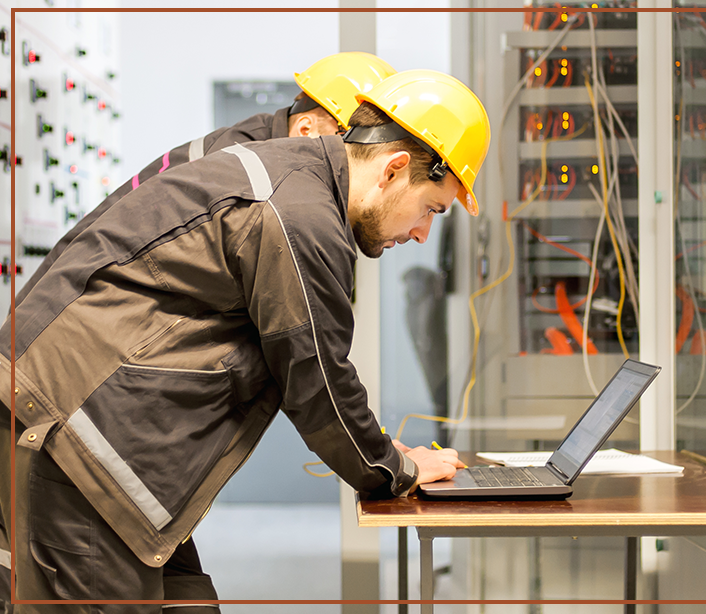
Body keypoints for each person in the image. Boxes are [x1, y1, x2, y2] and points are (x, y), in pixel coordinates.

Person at [0, 68, 490, 609]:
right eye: (430, 209)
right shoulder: (299, 214)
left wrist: (378, 453)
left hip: (98, 437)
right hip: (73, 440)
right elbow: (317, 377)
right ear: (395, 168)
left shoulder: (290, 179)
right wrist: (395, 469)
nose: (422, 233)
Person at [14, 51, 397, 309]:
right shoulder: (244, 173)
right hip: (78, 311)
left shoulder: (261, 157)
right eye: (351, 143)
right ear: (308, 127)